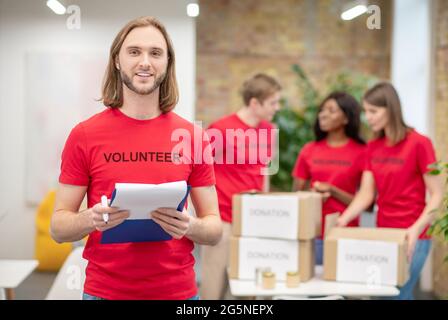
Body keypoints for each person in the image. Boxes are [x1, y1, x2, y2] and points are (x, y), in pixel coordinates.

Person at [50, 16, 222, 300]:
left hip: (178, 294)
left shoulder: (193, 137)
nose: (145, 62)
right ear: (117, 60)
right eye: (134, 51)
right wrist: (90, 219)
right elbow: (58, 228)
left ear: (167, 63)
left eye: (155, 53)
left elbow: (214, 229)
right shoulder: (85, 135)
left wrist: (189, 226)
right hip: (105, 293)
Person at [337, 82, 443, 300]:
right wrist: (342, 220)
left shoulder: (419, 143)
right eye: (366, 111)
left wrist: (415, 229)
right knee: (384, 294)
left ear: (391, 109)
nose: (368, 117)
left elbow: (438, 195)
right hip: (384, 232)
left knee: (398, 295)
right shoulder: (373, 147)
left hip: (414, 235)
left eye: (373, 111)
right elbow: (366, 194)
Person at [200, 73, 282, 299]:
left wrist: (265, 212)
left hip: (254, 222)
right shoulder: (222, 129)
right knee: (213, 288)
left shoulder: (269, 130)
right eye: (273, 102)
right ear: (255, 103)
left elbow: (265, 173)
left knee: (247, 290)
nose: (278, 107)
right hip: (224, 220)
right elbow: (197, 171)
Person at [292, 92, 366, 264]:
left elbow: (367, 204)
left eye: (331, 110)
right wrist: (313, 195)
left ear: (346, 118)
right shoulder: (309, 150)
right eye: (322, 110)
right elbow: (295, 196)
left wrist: (332, 191)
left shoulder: (362, 152)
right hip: (312, 234)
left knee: (343, 290)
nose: (323, 114)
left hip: (346, 234)